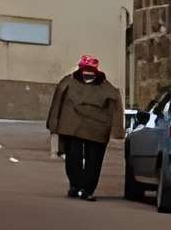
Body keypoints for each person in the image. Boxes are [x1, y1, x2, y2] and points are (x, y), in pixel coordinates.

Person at [45, 55, 121, 199]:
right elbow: (58, 104)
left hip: (92, 129)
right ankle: (80, 187)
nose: (88, 74)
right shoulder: (70, 83)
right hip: (78, 128)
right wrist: (54, 124)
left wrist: (54, 125)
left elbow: (114, 109)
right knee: (78, 157)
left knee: (88, 159)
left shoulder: (70, 83)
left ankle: (82, 188)